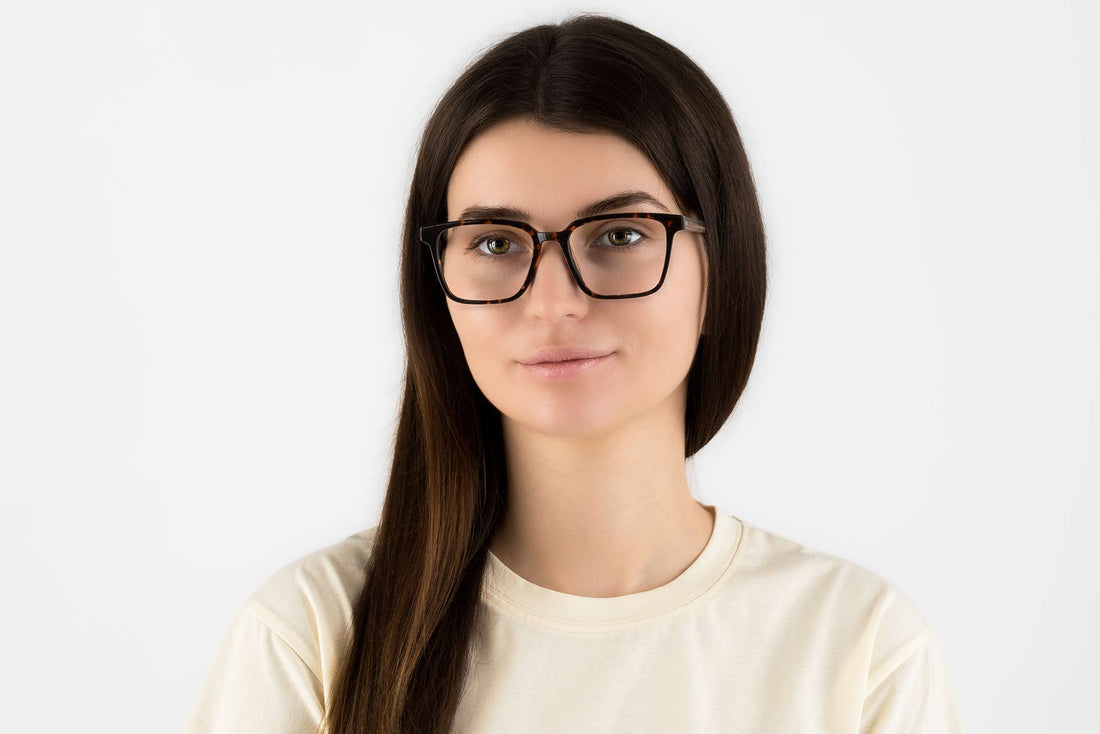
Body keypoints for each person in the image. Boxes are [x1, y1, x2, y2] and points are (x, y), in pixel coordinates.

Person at [184, 12, 964, 734]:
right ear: (437, 285)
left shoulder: (856, 645)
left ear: (721, 271)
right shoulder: (313, 634)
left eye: (619, 234)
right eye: (495, 243)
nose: (554, 302)